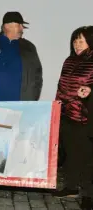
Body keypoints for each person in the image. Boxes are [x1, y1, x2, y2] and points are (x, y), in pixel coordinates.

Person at [0, 11, 43, 201]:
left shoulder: (29, 47)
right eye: (20, 25)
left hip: (20, 104)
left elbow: (37, 74)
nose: (22, 29)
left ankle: (12, 180)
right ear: (8, 25)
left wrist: (32, 99)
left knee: (15, 144)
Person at [54, 26, 93, 210]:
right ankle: (71, 187)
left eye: (81, 40)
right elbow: (61, 86)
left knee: (87, 157)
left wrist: (90, 92)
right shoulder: (69, 60)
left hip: (86, 117)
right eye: (75, 40)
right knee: (70, 154)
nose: (77, 44)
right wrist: (56, 107)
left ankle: (88, 194)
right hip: (67, 114)